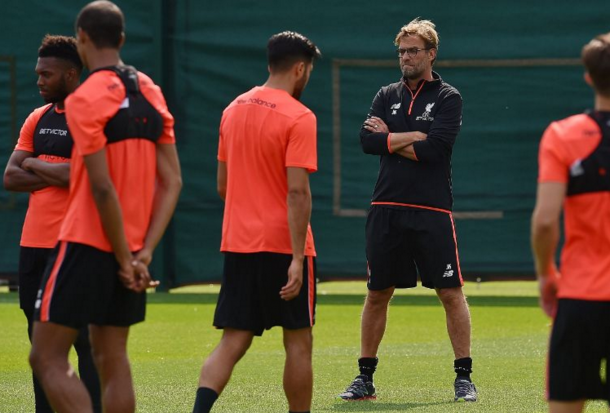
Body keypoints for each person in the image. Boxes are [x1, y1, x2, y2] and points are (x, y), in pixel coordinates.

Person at [27, 2, 182, 413]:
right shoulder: (150, 90)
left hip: (85, 243)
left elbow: (101, 188)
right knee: (112, 360)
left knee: (45, 357)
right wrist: (142, 252)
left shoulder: (84, 98)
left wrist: (122, 255)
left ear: (81, 40)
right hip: (132, 248)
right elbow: (173, 182)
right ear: (122, 40)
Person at [338, 18, 477, 402]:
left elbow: (435, 150)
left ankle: (463, 378)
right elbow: (367, 141)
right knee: (377, 292)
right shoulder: (386, 94)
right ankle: (364, 378)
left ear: (431, 53)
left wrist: (390, 138)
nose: (406, 57)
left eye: (413, 50)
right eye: (402, 51)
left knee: (450, 292)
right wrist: (411, 136)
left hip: (432, 210)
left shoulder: (449, 96)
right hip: (386, 208)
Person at [192, 31, 321, 413]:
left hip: (238, 244)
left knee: (233, 340)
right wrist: (296, 259)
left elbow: (222, 186)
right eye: (308, 70)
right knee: (298, 342)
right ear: (300, 68)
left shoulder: (232, 109)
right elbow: (297, 193)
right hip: (284, 246)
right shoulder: (300, 116)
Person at [3, 34, 102, 413]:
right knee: (39, 341)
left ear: (72, 74)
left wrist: (36, 163)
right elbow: (11, 177)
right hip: (35, 247)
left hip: (76, 244)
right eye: (37, 74)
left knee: (86, 344)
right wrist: (59, 170)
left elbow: (84, 176)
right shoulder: (38, 117)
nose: (39, 80)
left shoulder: (92, 116)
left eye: (47, 74)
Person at [532, 32, 610, 413]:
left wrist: (547, 274)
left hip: (580, 299)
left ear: (588, 77)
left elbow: (546, 222)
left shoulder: (561, 136)